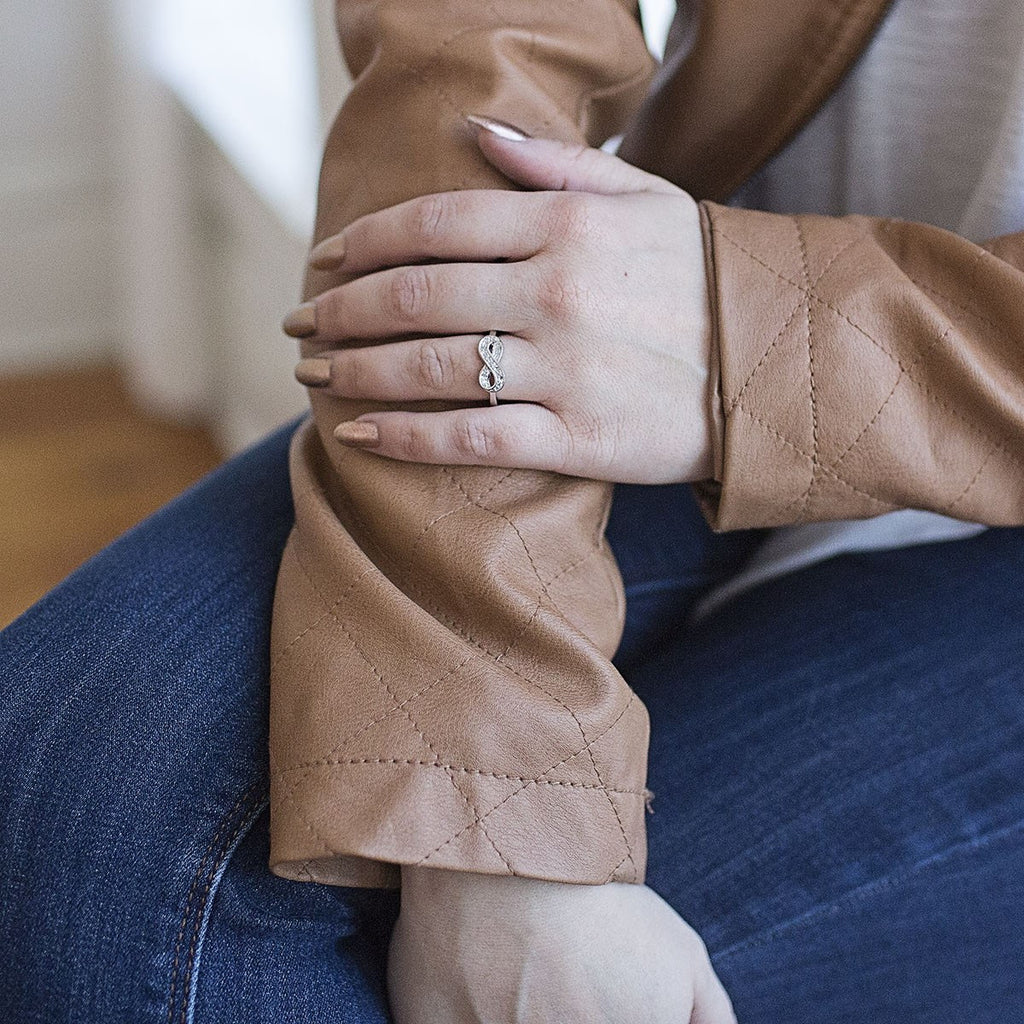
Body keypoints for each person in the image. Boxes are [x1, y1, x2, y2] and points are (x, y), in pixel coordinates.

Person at [1, 0, 1022, 1020]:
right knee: (75, 811)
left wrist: (755, 338)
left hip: (761, 355)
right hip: (660, 298)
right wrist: (494, 790)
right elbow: (477, 36)